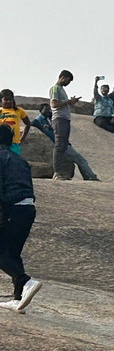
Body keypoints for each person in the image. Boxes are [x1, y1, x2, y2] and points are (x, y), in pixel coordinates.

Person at [0, 125, 43, 312]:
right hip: (28, 209)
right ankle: (18, 298)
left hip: (12, 208)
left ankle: (25, 281)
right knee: (12, 252)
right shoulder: (20, 160)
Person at [49, 70, 98, 181]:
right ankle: (57, 172)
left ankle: (61, 171)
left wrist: (70, 102)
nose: (68, 83)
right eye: (68, 80)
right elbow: (54, 104)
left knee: (63, 146)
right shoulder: (55, 88)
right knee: (59, 146)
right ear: (63, 77)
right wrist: (68, 102)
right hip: (59, 119)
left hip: (64, 119)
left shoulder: (61, 89)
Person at [0, 90, 32, 156]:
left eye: (10, 99)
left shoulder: (19, 110)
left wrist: (22, 138)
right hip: (1, 143)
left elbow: (28, 124)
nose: (8, 101)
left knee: (14, 161)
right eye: (6, 100)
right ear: (1, 100)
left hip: (14, 143)